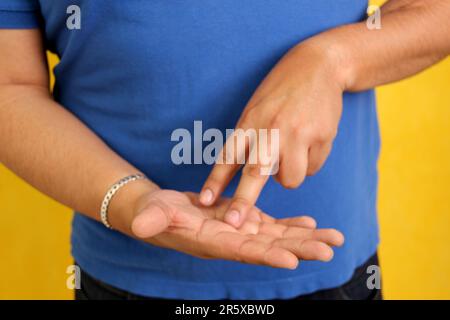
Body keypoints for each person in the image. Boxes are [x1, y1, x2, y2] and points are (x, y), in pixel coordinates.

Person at [0, 0, 448, 300]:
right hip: (123, 276)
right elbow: (10, 87)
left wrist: (332, 60)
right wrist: (130, 200)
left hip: (330, 271)